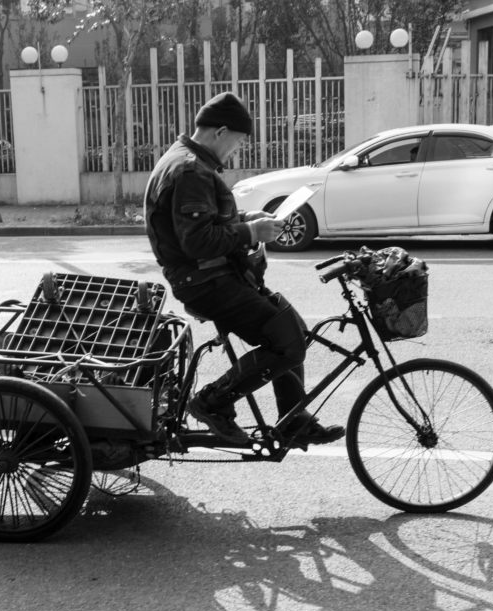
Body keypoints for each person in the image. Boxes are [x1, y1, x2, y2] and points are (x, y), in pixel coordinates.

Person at [143, 91, 344, 447]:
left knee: (292, 328)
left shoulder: (187, 161)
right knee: (286, 343)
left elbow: (203, 222)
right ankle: (212, 403)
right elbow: (197, 241)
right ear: (220, 132)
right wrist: (251, 232)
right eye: (236, 143)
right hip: (204, 280)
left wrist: (248, 219)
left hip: (212, 274)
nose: (235, 151)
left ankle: (292, 418)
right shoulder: (191, 170)